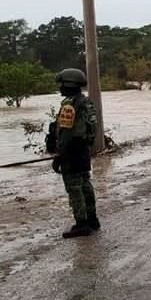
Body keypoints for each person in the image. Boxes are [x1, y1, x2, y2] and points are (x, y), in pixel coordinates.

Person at [46, 68, 100, 239]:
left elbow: (67, 133)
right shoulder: (86, 102)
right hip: (83, 150)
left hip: (71, 151)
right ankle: (92, 220)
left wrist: (59, 156)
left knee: (75, 188)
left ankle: (81, 224)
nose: (60, 88)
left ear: (69, 84)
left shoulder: (70, 106)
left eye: (61, 84)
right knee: (85, 184)